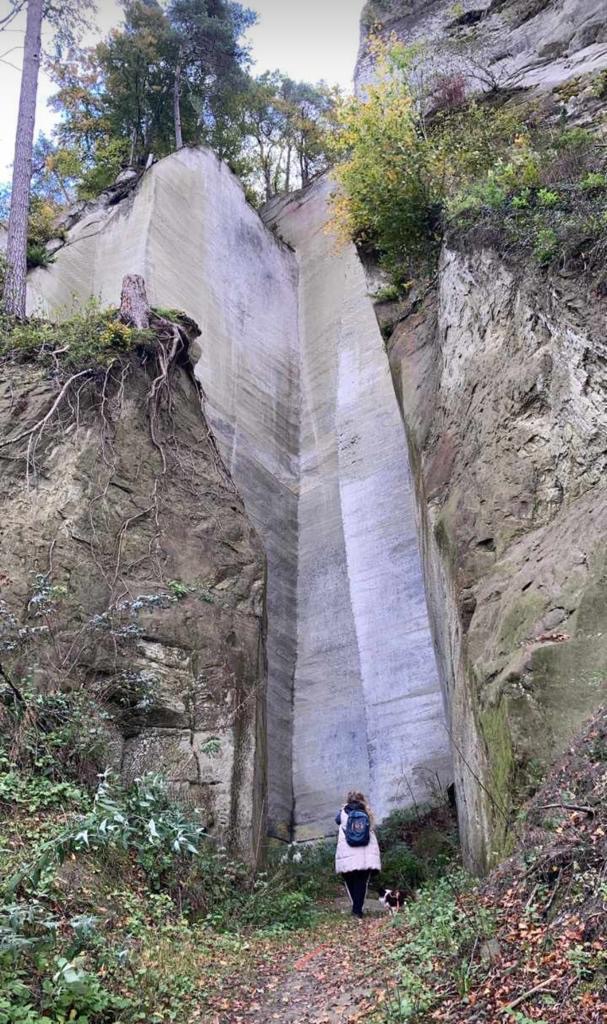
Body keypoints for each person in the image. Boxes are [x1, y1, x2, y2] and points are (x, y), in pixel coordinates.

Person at [335, 790, 381, 920]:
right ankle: (358, 910)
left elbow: (337, 821)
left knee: (350, 880)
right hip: (365, 853)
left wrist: (343, 808)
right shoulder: (367, 812)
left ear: (348, 800)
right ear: (362, 799)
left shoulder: (342, 813)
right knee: (362, 882)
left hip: (347, 853)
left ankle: (356, 909)